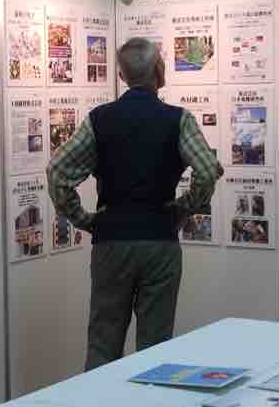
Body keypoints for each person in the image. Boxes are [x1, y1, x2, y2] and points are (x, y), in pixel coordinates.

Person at [46, 38, 224, 369]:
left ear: (122, 75)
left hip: (111, 240)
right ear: (159, 70)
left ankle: (95, 403)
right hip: (160, 239)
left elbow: (57, 172)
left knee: (103, 344)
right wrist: (184, 208)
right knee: (155, 349)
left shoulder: (99, 119)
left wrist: (84, 219)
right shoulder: (178, 119)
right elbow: (207, 170)